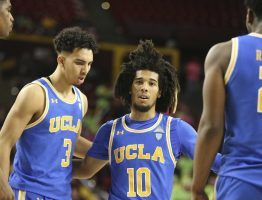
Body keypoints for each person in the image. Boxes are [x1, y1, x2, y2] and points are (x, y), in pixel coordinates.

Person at [73, 40, 221, 200]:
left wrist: (247, 166)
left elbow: (214, 161)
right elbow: (86, 168)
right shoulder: (110, 130)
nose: (144, 87)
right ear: (130, 88)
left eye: (152, 83)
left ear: (159, 92)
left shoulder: (175, 129)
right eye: (139, 82)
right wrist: (47, 164)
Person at [0, 27, 98, 200]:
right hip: (28, 191)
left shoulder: (81, 100)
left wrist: (107, 149)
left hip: (60, 193)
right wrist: (2, 184)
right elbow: (4, 141)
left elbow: (68, 140)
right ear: (61, 60)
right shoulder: (35, 93)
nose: (85, 70)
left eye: (89, 64)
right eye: (79, 62)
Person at [191, 0, 262, 199]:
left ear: (249, 16)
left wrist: (198, 188)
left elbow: (211, 127)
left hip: (241, 181)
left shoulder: (223, 54)